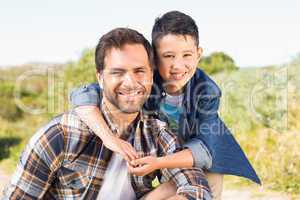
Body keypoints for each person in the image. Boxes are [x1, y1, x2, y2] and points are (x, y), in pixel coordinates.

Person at [70, 11, 261, 200]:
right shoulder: (143, 82)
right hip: (158, 148)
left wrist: (159, 163)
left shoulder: (207, 90)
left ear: (198, 54)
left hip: (192, 151)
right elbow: (82, 95)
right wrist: (109, 138)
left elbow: (205, 151)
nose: (178, 65)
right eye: (168, 56)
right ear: (153, 58)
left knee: (209, 181)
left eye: (187, 55)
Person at [3, 28, 212, 200]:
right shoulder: (62, 134)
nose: (130, 82)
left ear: (151, 74)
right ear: (100, 77)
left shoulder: (157, 132)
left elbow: (198, 188)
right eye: (117, 72)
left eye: (139, 71)